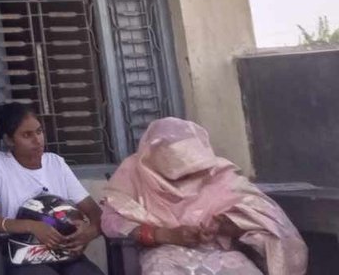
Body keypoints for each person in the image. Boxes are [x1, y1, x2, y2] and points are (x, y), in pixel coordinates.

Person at [101, 118, 307, 275]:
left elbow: (268, 221)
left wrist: (227, 226)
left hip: (222, 253)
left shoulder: (219, 174)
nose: (186, 180)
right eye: (176, 175)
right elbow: (111, 222)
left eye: (192, 172)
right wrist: (163, 234)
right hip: (164, 254)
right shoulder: (134, 173)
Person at [0, 102, 104, 273]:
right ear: (9, 140)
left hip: (61, 252)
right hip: (19, 255)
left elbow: (95, 213)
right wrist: (32, 226)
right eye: (27, 135)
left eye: (39, 131)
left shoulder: (55, 163)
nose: (37, 140)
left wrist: (88, 232)